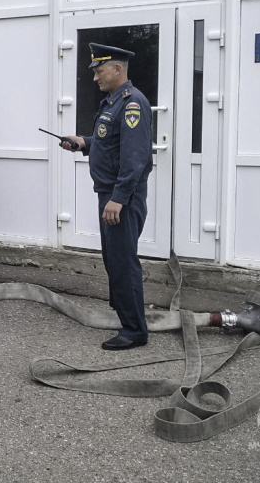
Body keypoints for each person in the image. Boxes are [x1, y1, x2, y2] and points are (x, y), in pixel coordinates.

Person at [60, 43, 153, 350]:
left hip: (120, 198)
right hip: (111, 194)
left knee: (123, 261)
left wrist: (119, 198)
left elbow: (135, 157)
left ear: (117, 70)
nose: (95, 78)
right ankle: (125, 314)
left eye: (99, 71)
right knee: (114, 258)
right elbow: (109, 143)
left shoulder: (132, 104)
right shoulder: (112, 102)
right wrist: (82, 142)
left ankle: (134, 330)